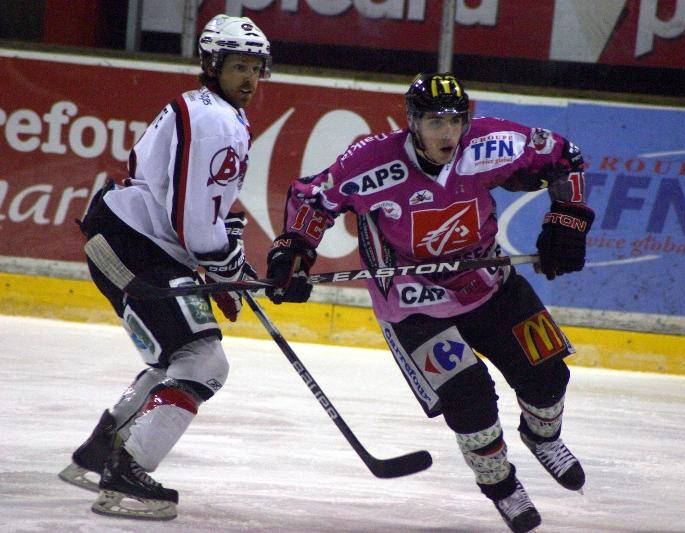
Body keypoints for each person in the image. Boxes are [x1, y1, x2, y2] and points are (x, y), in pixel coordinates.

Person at [264, 72, 594, 533]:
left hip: (489, 281)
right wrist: (293, 251)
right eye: (435, 122)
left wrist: (568, 219)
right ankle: (500, 484)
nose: (448, 133)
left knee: (549, 374)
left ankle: (543, 438)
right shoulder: (372, 161)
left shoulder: (488, 144)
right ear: (413, 122)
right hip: (414, 304)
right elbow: (313, 198)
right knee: (470, 399)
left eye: (456, 121)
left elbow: (565, 156)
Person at [57, 14, 271, 521]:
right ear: (212, 65)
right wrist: (226, 266)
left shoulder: (214, 112)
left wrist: (226, 255)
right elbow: (194, 225)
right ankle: (127, 475)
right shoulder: (216, 118)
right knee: (202, 361)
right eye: (239, 67)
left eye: (256, 69)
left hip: (128, 241)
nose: (249, 79)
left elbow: (202, 209)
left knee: (176, 355)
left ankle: (99, 455)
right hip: (135, 251)